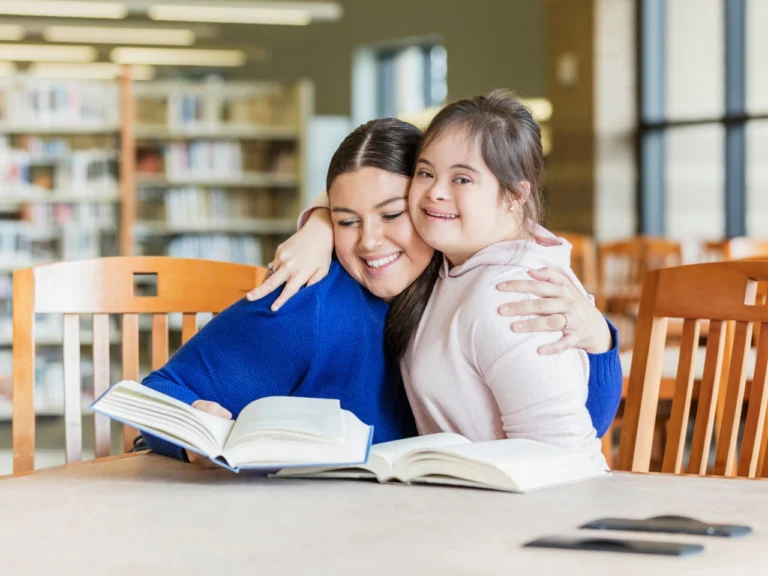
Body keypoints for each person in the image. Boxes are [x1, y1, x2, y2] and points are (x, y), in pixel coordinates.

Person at [140, 116, 619, 467]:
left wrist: (598, 339)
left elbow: (581, 430)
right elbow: (157, 397)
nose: (369, 241)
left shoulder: (462, 288)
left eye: (393, 215)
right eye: (348, 221)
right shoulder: (305, 303)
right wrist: (191, 433)